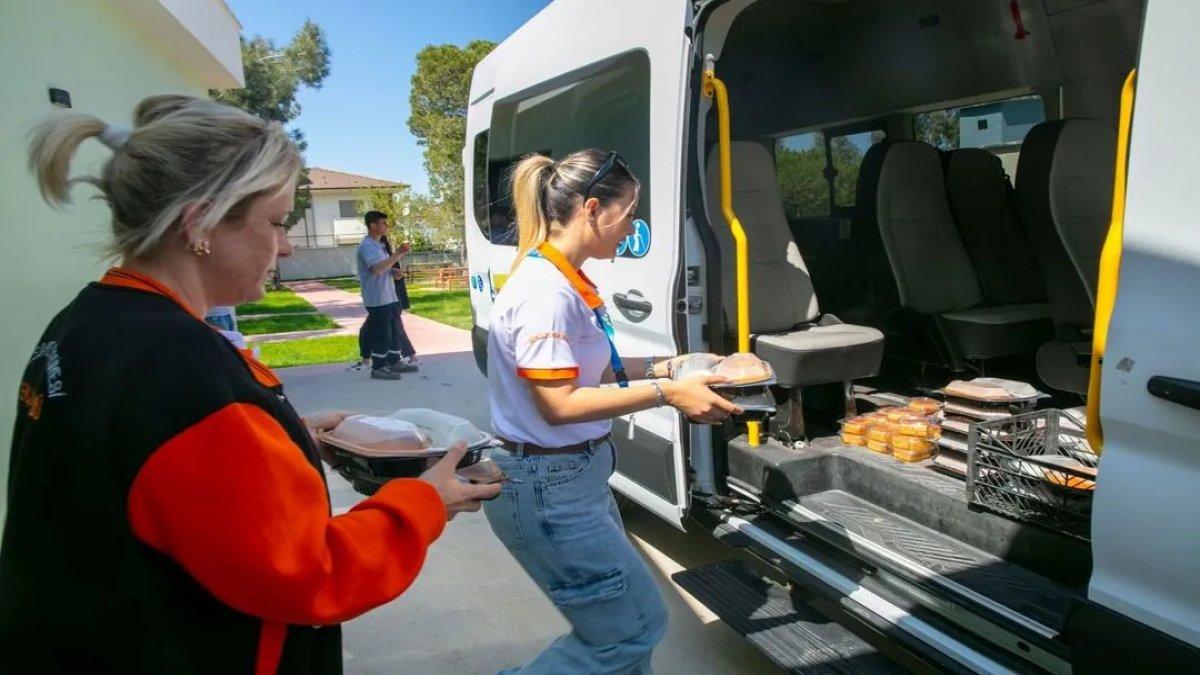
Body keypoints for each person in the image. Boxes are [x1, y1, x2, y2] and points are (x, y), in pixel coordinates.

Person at [0, 94, 501, 674]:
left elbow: (150, 475)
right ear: (200, 225)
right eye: (274, 222)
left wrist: (282, 438)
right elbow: (309, 574)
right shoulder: (175, 365)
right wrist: (424, 501)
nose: (285, 245)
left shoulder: (92, 321)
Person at [483, 149, 742, 674]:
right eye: (630, 215)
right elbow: (558, 404)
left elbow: (588, 371)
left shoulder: (563, 279)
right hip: (547, 485)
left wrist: (678, 366)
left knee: (623, 632)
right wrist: (670, 395)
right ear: (593, 209)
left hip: (571, 476)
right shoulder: (545, 293)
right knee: (631, 630)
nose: (633, 228)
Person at [356, 212, 417, 380]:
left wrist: (393, 272)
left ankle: (393, 361)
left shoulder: (379, 246)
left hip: (389, 295)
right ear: (373, 225)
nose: (386, 226)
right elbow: (375, 269)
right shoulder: (366, 246)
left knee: (394, 331)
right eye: (383, 223)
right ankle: (378, 367)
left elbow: (383, 268)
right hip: (377, 298)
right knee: (382, 333)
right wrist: (397, 254)